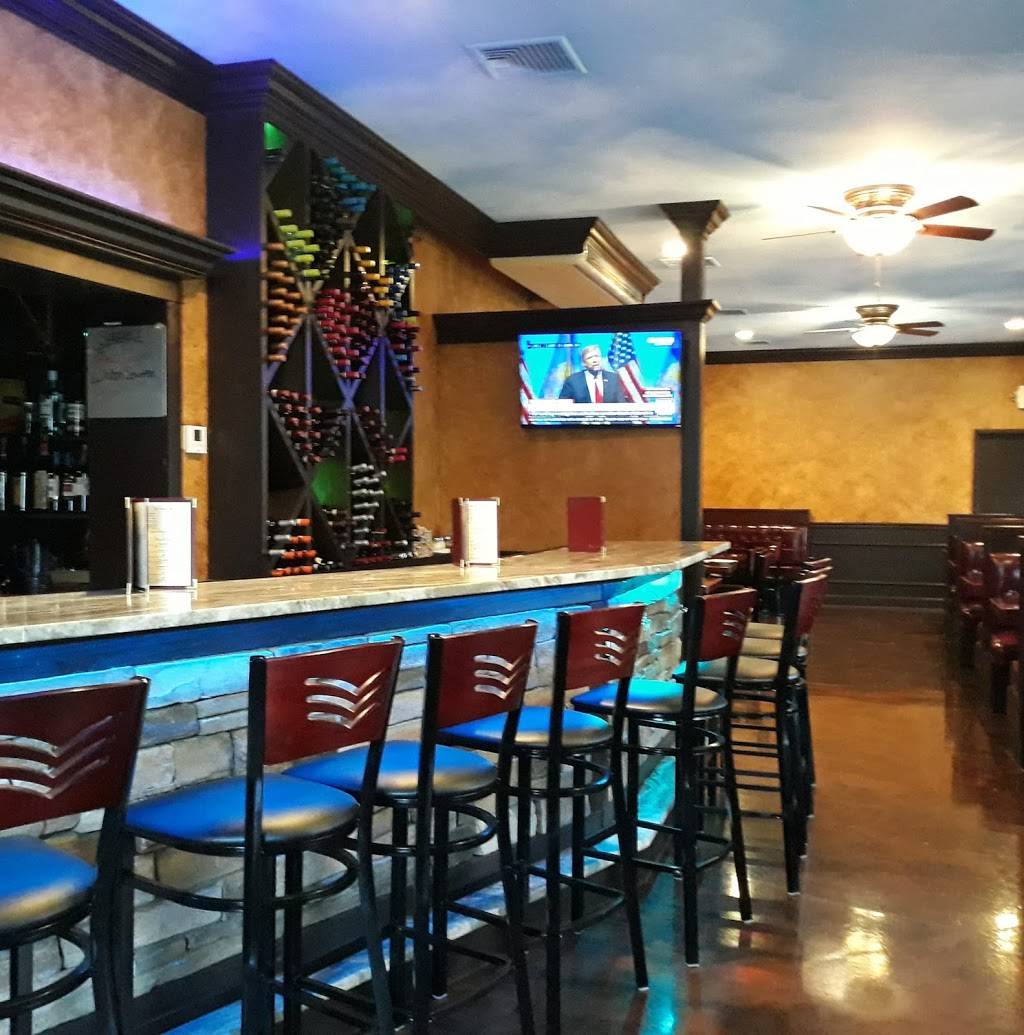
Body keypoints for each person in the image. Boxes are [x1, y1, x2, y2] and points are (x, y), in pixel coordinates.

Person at [558, 345, 625, 404]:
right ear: (583, 363)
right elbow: (563, 405)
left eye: (596, 356)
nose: (595, 360)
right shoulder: (573, 381)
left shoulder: (613, 378)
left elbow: (621, 403)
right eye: (590, 358)